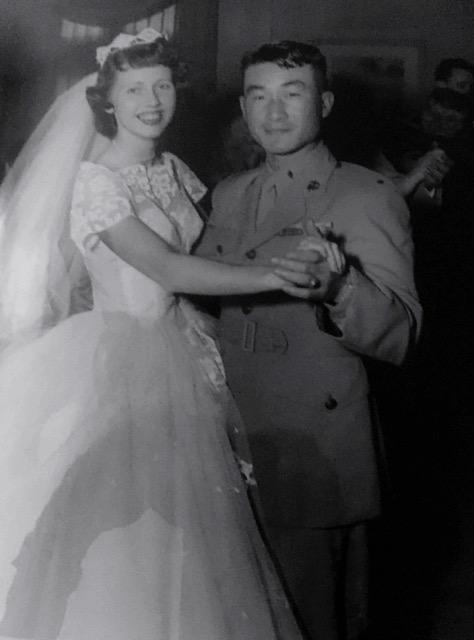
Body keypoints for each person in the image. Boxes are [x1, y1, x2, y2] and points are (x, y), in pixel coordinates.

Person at [0, 29, 320, 639]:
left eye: (163, 85)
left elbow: (210, 250)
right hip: (123, 354)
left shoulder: (171, 167)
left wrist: (293, 245)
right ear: (108, 102)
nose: (152, 100)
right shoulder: (97, 180)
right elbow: (168, 268)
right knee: (128, 521)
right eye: (134, 89)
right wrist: (273, 275)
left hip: (183, 341)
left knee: (197, 523)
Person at [196, 40, 422, 640]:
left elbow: (404, 334)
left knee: (311, 618)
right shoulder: (227, 194)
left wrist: (338, 287)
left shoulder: (365, 195)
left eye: (292, 95)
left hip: (311, 450)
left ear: (323, 103)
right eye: (259, 97)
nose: (273, 114)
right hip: (228, 437)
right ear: (243, 110)